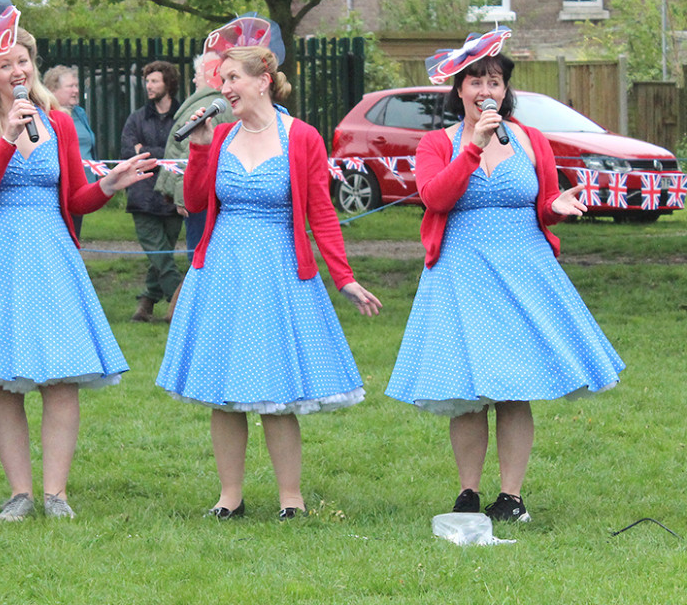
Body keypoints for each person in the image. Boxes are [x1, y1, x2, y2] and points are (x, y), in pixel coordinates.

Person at [384, 28, 625, 522]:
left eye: (493, 81)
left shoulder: (532, 140)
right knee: (469, 390)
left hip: (524, 272)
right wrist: (472, 147)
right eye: (474, 81)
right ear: (459, 90)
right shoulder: (437, 143)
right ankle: (468, 493)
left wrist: (556, 204)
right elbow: (436, 198)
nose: (484, 90)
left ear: (504, 90)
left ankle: (511, 497)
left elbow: (545, 201)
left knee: (515, 388)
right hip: (462, 273)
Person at [0, 0, 155, 522]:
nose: (18, 70)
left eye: (23, 60)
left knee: (62, 375)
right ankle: (20, 492)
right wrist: (6, 139)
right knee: (1, 377)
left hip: (51, 253)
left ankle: (56, 494)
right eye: (6, 63)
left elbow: (73, 198)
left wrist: (107, 184)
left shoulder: (60, 121)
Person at [155, 38, 382, 521]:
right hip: (221, 271)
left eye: (233, 78)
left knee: (278, 395)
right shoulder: (218, 137)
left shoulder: (301, 137)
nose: (225, 87)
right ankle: (229, 497)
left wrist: (344, 278)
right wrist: (197, 151)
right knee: (224, 391)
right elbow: (195, 203)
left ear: (263, 81)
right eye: (221, 79)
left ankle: (291, 499)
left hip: (278, 270)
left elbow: (321, 212)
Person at [154, 55, 235, 260]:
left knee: (200, 256)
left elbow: (194, 151)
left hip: (203, 195)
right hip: (206, 192)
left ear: (210, 74)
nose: (193, 80)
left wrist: (184, 196)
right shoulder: (212, 103)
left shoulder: (211, 106)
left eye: (197, 74)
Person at [120, 60, 183, 322]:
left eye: (154, 81)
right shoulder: (136, 118)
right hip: (142, 195)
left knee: (161, 253)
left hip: (171, 194)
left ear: (168, 84)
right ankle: (180, 299)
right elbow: (128, 152)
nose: (149, 85)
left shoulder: (182, 116)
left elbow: (179, 152)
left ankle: (146, 302)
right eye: (147, 81)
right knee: (159, 252)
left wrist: (148, 152)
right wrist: (159, 155)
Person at [44, 64, 96, 238]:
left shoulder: (80, 113)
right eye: (70, 86)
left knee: (74, 236)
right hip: (59, 189)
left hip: (82, 186)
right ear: (52, 90)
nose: (76, 90)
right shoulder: (47, 116)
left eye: (76, 86)